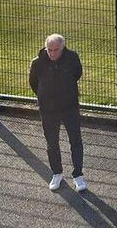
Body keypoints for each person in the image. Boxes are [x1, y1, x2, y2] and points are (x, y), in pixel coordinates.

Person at [29, 34, 86, 193]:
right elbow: (34, 83)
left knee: (76, 140)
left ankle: (78, 175)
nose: (52, 53)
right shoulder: (37, 63)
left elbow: (77, 74)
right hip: (48, 110)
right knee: (52, 143)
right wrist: (45, 97)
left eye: (56, 50)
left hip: (70, 108)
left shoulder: (72, 58)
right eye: (49, 50)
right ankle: (57, 173)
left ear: (63, 48)